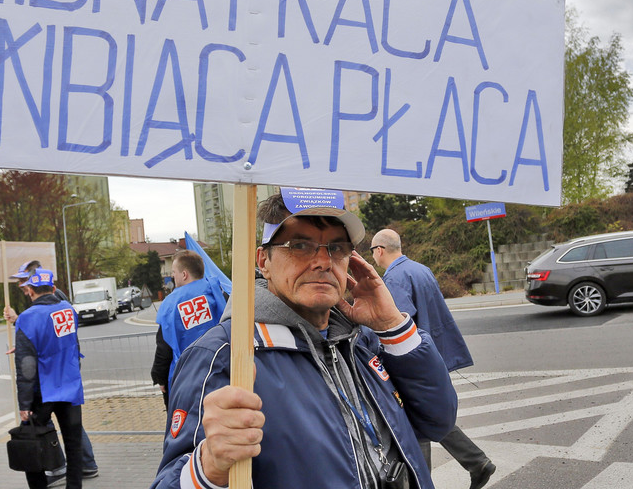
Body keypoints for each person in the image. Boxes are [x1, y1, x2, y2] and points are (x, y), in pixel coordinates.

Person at [151, 188, 458, 489]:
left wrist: (392, 326)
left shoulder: (361, 340)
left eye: (337, 248)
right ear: (263, 261)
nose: (323, 262)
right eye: (300, 246)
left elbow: (437, 421)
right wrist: (209, 468)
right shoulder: (223, 355)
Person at [372, 228, 496, 488]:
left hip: (413, 363)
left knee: (417, 422)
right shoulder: (420, 269)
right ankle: (476, 462)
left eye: (373, 251)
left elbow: (396, 325)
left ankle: (425, 480)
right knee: (430, 414)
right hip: (434, 356)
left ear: (380, 250)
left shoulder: (394, 278)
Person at [5, 261, 99, 481]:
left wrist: (25, 403)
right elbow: (72, 346)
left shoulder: (28, 317)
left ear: (30, 291)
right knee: (74, 446)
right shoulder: (68, 310)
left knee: (33, 443)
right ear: (53, 289)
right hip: (70, 387)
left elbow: (26, 365)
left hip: (43, 392)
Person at [151, 250, 228, 405]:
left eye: (174, 272)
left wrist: (159, 377)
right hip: (222, 372)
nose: (173, 276)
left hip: (186, 378)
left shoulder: (171, 304)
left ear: (184, 274)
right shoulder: (218, 292)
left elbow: (164, 347)